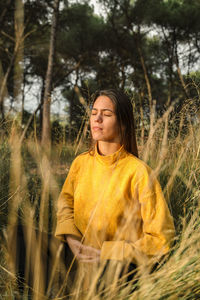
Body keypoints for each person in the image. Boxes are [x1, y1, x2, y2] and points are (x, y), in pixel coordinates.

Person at [55, 89, 175, 291]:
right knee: (19, 236)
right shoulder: (80, 163)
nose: (98, 119)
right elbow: (65, 205)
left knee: (109, 275)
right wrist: (72, 240)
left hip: (114, 267)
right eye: (94, 113)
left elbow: (162, 239)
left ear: (123, 123)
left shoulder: (139, 172)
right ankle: (63, 287)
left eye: (107, 114)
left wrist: (107, 253)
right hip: (77, 255)